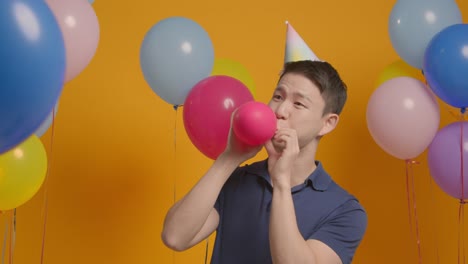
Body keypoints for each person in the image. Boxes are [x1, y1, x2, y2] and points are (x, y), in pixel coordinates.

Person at [161, 60, 367, 264]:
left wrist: (281, 184)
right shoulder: (237, 180)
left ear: (327, 123)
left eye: (298, 104)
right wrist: (228, 159)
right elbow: (175, 237)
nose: (280, 110)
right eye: (278, 97)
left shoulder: (345, 211)